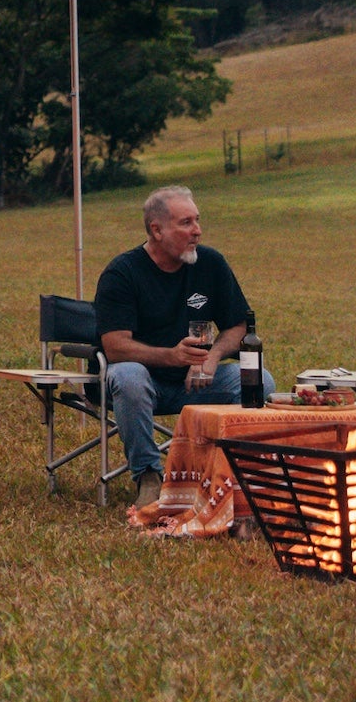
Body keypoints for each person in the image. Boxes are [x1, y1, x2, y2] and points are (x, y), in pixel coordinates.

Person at [94, 185, 252, 509]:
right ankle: (149, 476)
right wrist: (172, 355)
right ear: (157, 230)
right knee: (128, 375)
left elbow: (238, 325)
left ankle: (226, 477)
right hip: (143, 384)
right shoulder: (123, 273)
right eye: (186, 223)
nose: (197, 231)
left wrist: (212, 359)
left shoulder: (210, 264)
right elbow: (115, 347)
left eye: (197, 221)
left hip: (197, 381)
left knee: (254, 379)